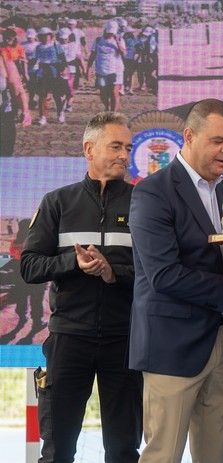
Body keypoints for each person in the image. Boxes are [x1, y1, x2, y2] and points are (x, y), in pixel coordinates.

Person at [128, 98, 223, 462]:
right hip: (171, 347)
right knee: (163, 455)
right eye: (219, 140)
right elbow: (163, 275)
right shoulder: (151, 192)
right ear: (189, 136)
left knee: (218, 455)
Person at [20, 112, 143, 462]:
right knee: (57, 450)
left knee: (123, 450)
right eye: (116, 146)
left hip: (125, 341)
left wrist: (111, 273)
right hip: (68, 340)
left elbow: (155, 273)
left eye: (128, 147)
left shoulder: (143, 202)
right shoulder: (57, 202)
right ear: (89, 149)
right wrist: (73, 263)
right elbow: (29, 266)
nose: (124, 155)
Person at [0, 218, 46, 344]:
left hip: (20, 279)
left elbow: (14, 260)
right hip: (36, 279)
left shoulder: (15, 242)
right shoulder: (38, 241)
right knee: (36, 302)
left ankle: (22, 319)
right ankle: (37, 322)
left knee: (22, 300)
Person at [86, 21, 125, 111]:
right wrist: (88, 69)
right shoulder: (98, 40)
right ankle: (107, 108)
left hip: (116, 71)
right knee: (103, 93)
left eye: (112, 32)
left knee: (114, 92)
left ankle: (113, 114)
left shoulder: (120, 40)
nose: (111, 34)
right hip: (101, 71)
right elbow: (93, 55)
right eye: (109, 32)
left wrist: (117, 42)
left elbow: (123, 53)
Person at [34, 27, 67, 125]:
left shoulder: (56, 45)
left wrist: (63, 69)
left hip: (54, 72)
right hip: (42, 73)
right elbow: (36, 60)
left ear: (50, 35)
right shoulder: (38, 47)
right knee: (42, 95)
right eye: (43, 36)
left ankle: (60, 113)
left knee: (57, 95)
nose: (45, 37)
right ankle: (43, 116)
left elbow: (63, 59)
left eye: (47, 35)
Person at [0, 52, 31, 155]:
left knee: (5, 154)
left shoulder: (5, 61)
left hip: (4, 117)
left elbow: (18, 91)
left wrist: (25, 111)